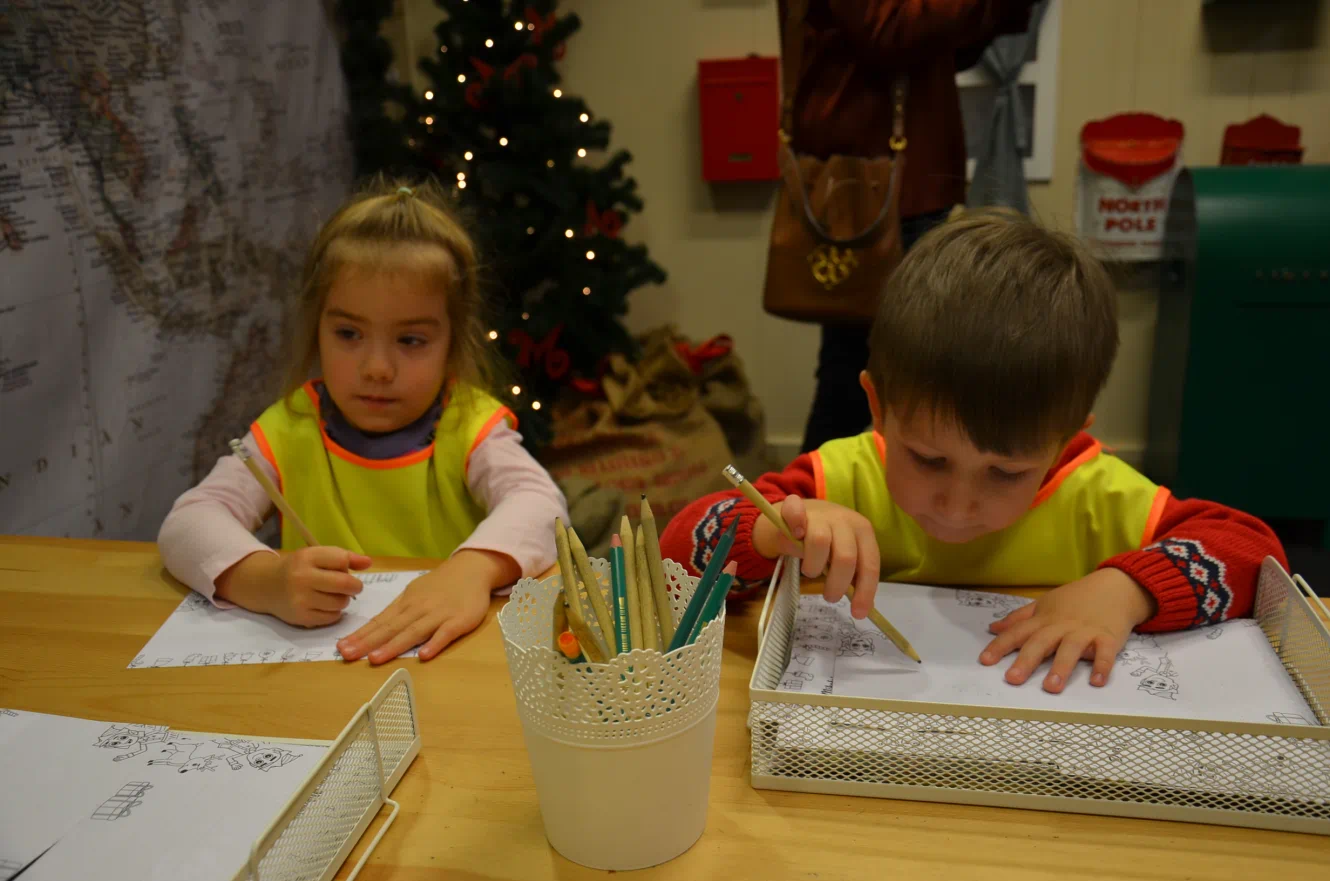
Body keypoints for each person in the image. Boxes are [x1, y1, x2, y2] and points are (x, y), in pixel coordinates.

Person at [663, 211, 1286, 693]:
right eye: (929, 459)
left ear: (1062, 441)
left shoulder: (1101, 497)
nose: (958, 505)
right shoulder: (839, 479)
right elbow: (674, 556)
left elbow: (1256, 556)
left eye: (1006, 472)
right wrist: (770, 533)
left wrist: (1128, 590)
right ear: (879, 407)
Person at [158, 177, 568, 664]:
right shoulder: (290, 427)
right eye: (349, 334)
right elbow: (187, 523)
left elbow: (542, 506)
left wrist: (473, 571)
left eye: (410, 340)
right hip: (318, 673)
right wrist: (265, 581)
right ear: (318, 328)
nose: (376, 368)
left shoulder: (469, 426)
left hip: (444, 663)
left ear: (452, 343)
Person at [783, 0, 1039, 452]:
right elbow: (888, 30)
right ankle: (814, 490)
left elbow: (947, 49)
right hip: (876, 185)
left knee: (894, 367)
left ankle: (841, 485)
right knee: (861, 371)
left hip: (906, 180)